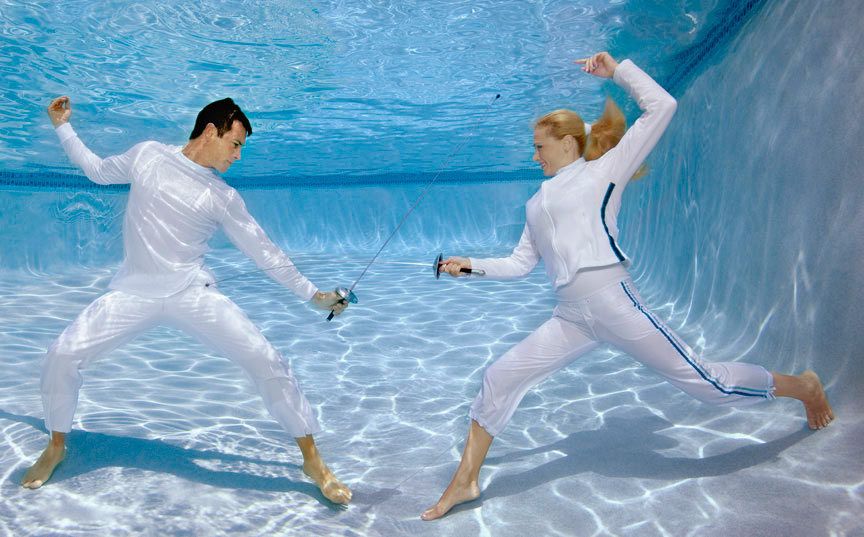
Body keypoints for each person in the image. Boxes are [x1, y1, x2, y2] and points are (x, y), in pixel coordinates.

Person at [420, 51, 834, 520]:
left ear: (569, 144)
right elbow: (520, 264)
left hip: (614, 302)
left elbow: (663, 107)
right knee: (500, 377)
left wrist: (617, 70)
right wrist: (469, 265)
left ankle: (803, 386)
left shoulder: (604, 171)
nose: (533, 155)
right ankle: (466, 480)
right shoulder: (535, 204)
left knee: (709, 384)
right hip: (571, 317)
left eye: (540, 146)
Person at [21, 96, 353, 505]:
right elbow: (96, 170)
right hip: (133, 292)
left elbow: (264, 252)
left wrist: (313, 295)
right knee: (61, 355)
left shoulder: (223, 196)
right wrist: (62, 125)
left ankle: (312, 459)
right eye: (236, 144)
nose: (238, 156)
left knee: (266, 360)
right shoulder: (148, 155)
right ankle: (56, 445)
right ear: (211, 131)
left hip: (190, 293)